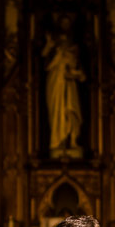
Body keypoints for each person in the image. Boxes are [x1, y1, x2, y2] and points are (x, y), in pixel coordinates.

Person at [43, 16, 84, 157]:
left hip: (69, 83)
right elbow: (44, 62)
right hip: (55, 82)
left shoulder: (75, 46)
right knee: (57, 111)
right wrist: (50, 47)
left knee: (70, 110)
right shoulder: (53, 43)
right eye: (63, 22)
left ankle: (72, 140)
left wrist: (75, 73)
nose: (65, 25)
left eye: (68, 22)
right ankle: (56, 141)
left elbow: (80, 69)